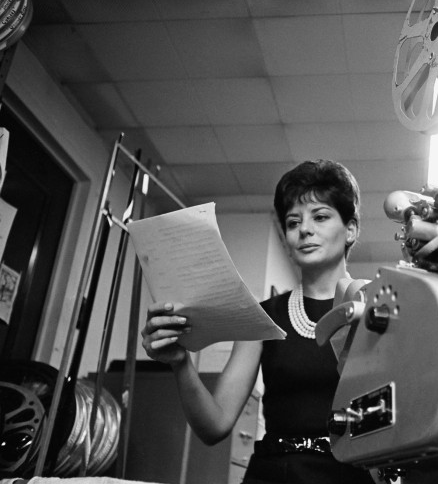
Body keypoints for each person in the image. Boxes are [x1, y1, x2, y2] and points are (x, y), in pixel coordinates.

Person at [141, 160, 375, 484]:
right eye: (293, 222)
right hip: (271, 474)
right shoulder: (264, 315)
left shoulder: (376, 310)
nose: (304, 229)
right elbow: (215, 425)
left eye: (320, 217)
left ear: (351, 228)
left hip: (347, 475)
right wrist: (181, 364)